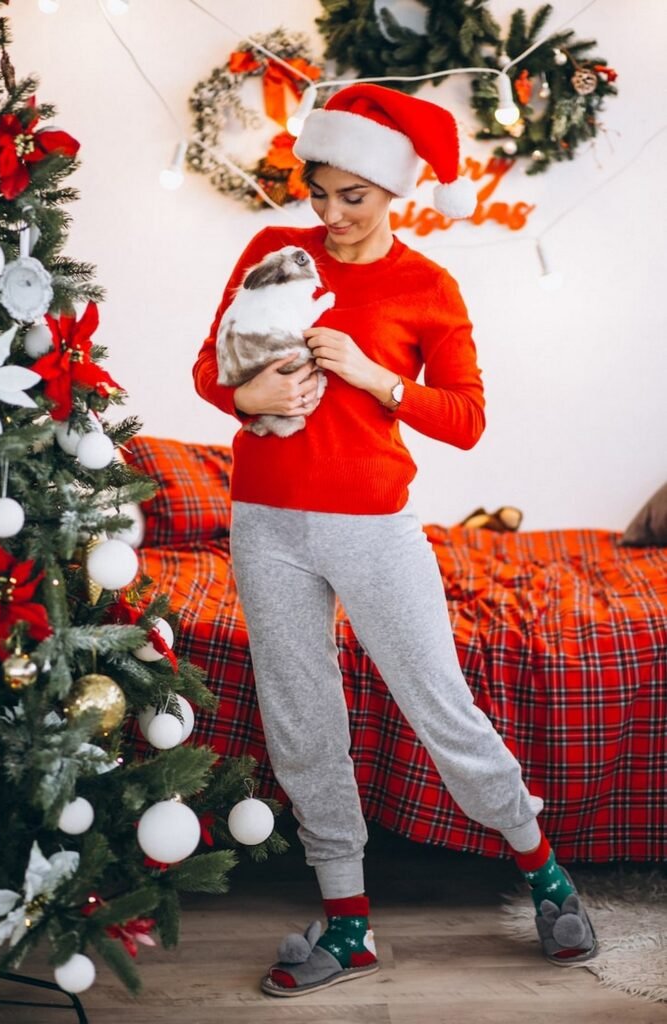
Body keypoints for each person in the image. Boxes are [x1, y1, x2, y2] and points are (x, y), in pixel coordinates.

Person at [193, 83, 596, 998]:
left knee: (440, 707)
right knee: (302, 723)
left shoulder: (425, 286)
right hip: (265, 522)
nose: (330, 215)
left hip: (373, 525)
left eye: (353, 197)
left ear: (394, 192)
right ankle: (348, 925)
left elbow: (466, 420)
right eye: (318, 193)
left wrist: (377, 377)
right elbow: (210, 366)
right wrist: (245, 396)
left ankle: (542, 872)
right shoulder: (273, 250)